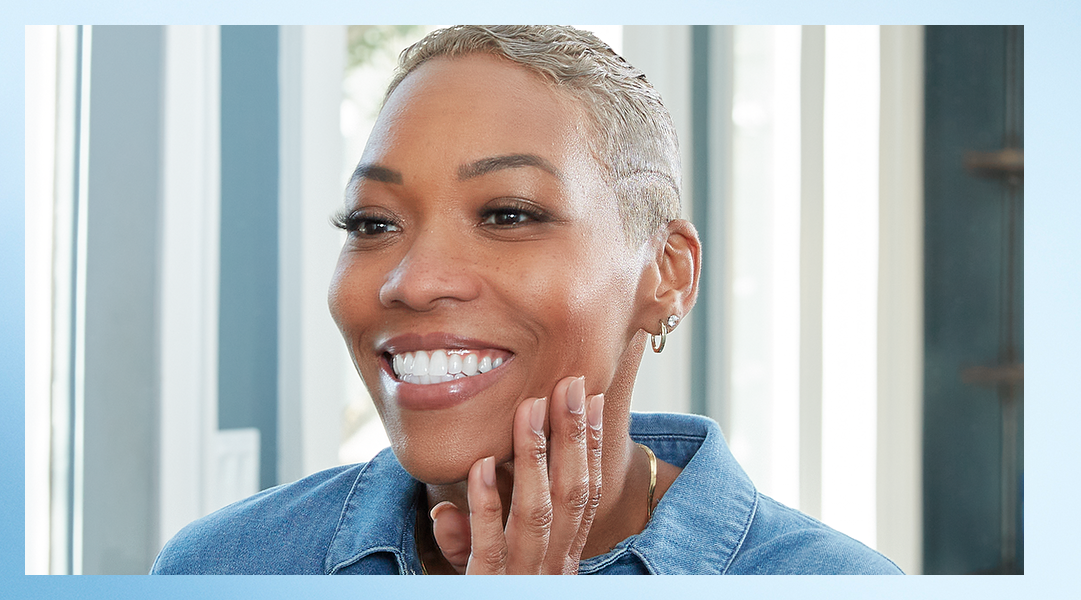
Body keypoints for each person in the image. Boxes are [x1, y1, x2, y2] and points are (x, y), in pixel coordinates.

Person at [151, 25, 901, 575]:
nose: (409, 281)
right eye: (372, 222)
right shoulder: (219, 567)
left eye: (508, 214)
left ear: (666, 273)